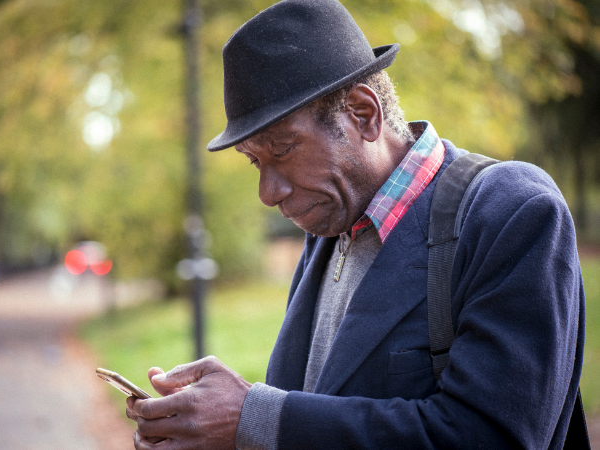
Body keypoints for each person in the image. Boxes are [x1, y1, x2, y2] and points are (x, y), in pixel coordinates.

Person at [126, 0, 586, 448]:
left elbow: (493, 435)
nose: (268, 193)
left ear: (364, 114)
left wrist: (253, 416)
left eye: (282, 149)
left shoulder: (511, 210)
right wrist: (223, 433)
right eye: (254, 163)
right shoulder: (330, 230)